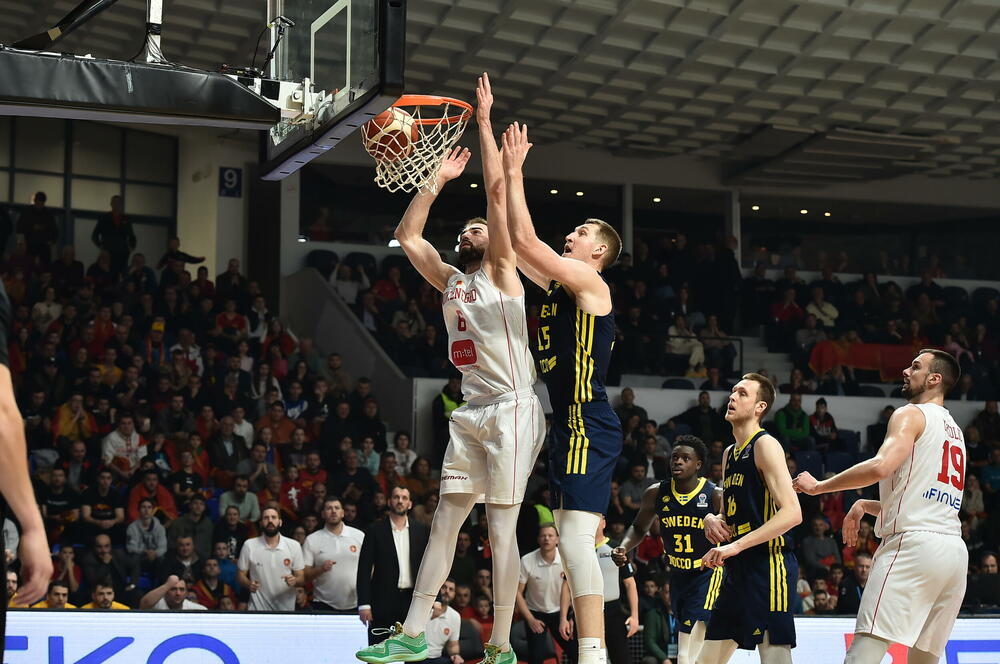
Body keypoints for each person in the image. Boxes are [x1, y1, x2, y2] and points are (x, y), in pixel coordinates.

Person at [356, 75, 544, 664]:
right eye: (465, 229)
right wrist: (434, 182)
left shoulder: (505, 273)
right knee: (443, 523)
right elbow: (407, 235)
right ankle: (412, 633)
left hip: (515, 405)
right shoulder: (451, 279)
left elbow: (494, 190)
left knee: (502, 529)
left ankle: (499, 644)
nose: (471, 230)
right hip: (471, 411)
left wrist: (485, 123)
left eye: (480, 228)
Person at [504, 121, 624, 664]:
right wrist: (497, 164)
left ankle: (594, 654)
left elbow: (528, 241)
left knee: (576, 541)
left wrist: (515, 169)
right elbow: (512, 243)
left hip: (586, 419)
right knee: (575, 540)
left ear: (597, 252)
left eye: (579, 233)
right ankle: (593, 654)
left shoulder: (592, 285)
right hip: (570, 423)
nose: (569, 236)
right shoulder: (558, 286)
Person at [793, 350, 968, 664]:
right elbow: (917, 499)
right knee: (923, 659)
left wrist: (819, 486)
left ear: (934, 379)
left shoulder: (910, 414)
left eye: (915, 366)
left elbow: (880, 467)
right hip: (953, 555)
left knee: (864, 652)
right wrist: (862, 504)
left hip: (913, 548)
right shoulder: (955, 432)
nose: (905, 370)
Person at [696, 373, 801, 664]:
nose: (732, 397)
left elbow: (793, 513)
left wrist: (735, 546)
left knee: (775, 657)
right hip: (738, 567)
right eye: (732, 391)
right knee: (706, 661)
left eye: (742, 393)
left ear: (759, 407)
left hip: (769, 564)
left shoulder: (765, 445)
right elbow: (730, 512)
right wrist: (712, 518)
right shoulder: (730, 454)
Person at [613, 436, 721, 664]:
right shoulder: (656, 492)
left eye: (685, 458)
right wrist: (623, 547)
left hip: (707, 572)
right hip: (677, 573)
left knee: (687, 646)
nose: (678, 462)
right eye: (675, 457)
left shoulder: (713, 495)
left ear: (698, 464)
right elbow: (639, 526)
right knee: (687, 642)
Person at [356, 486, 430, 643]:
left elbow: (429, 567)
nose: (400, 501)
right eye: (396, 497)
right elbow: (364, 569)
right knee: (379, 648)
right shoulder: (375, 530)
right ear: (389, 502)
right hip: (382, 600)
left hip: (412, 601)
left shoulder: (421, 530)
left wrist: (436, 599)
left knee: (412, 649)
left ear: (410, 504)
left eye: (404, 498)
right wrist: (364, 604)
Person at [516, 525, 575, 664]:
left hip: (562, 612)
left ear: (557, 539)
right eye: (543, 535)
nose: (546, 538)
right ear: (538, 539)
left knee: (576, 652)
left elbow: (575, 591)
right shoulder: (527, 560)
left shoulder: (566, 559)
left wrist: (571, 617)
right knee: (536, 657)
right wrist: (530, 619)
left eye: (550, 535)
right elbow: (517, 593)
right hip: (536, 613)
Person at [304, 496, 365, 612]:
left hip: (356, 602)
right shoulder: (312, 540)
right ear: (322, 514)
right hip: (322, 603)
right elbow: (305, 575)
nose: (333, 511)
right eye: (329, 508)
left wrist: (366, 587)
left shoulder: (359, 536)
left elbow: (371, 566)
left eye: (337, 508)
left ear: (342, 513)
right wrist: (321, 569)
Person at [237, 506, 305, 611]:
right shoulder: (249, 545)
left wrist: (295, 580)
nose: (270, 521)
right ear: (260, 523)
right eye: (266, 518)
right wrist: (248, 584)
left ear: (280, 522)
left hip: (286, 611)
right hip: (257, 610)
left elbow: (301, 576)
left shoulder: (294, 545)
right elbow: (240, 575)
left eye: (273, 517)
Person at [591, 518, 638, 664]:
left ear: (604, 523)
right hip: (588, 610)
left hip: (613, 610)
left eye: (597, 519)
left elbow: (630, 583)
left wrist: (635, 616)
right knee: (590, 657)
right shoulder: (581, 551)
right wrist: (565, 617)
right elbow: (567, 586)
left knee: (621, 658)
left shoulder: (615, 548)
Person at [91, 195, 136, 276]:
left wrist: (131, 247)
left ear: (121, 204)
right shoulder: (104, 218)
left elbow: (132, 235)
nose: (116, 204)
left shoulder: (126, 218)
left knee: (121, 273)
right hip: (108, 250)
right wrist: (100, 245)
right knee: (106, 272)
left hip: (122, 251)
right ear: (111, 204)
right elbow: (95, 234)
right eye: (114, 202)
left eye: (118, 202)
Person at [424, 594, 464, 664]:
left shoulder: (455, 616)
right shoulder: (423, 607)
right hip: (414, 656)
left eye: (451, 589)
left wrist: (455, 655)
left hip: (436, 659)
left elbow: (453, 645)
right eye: (444, 587)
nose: (447, 591)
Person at [140, 574, 207, 610]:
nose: (178, 593)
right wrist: (167, 585)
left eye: (182, 589)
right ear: (165, 592)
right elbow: (144, 604)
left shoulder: (195, 609)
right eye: (173, 589)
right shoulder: (158, 604)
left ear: (187, 593)